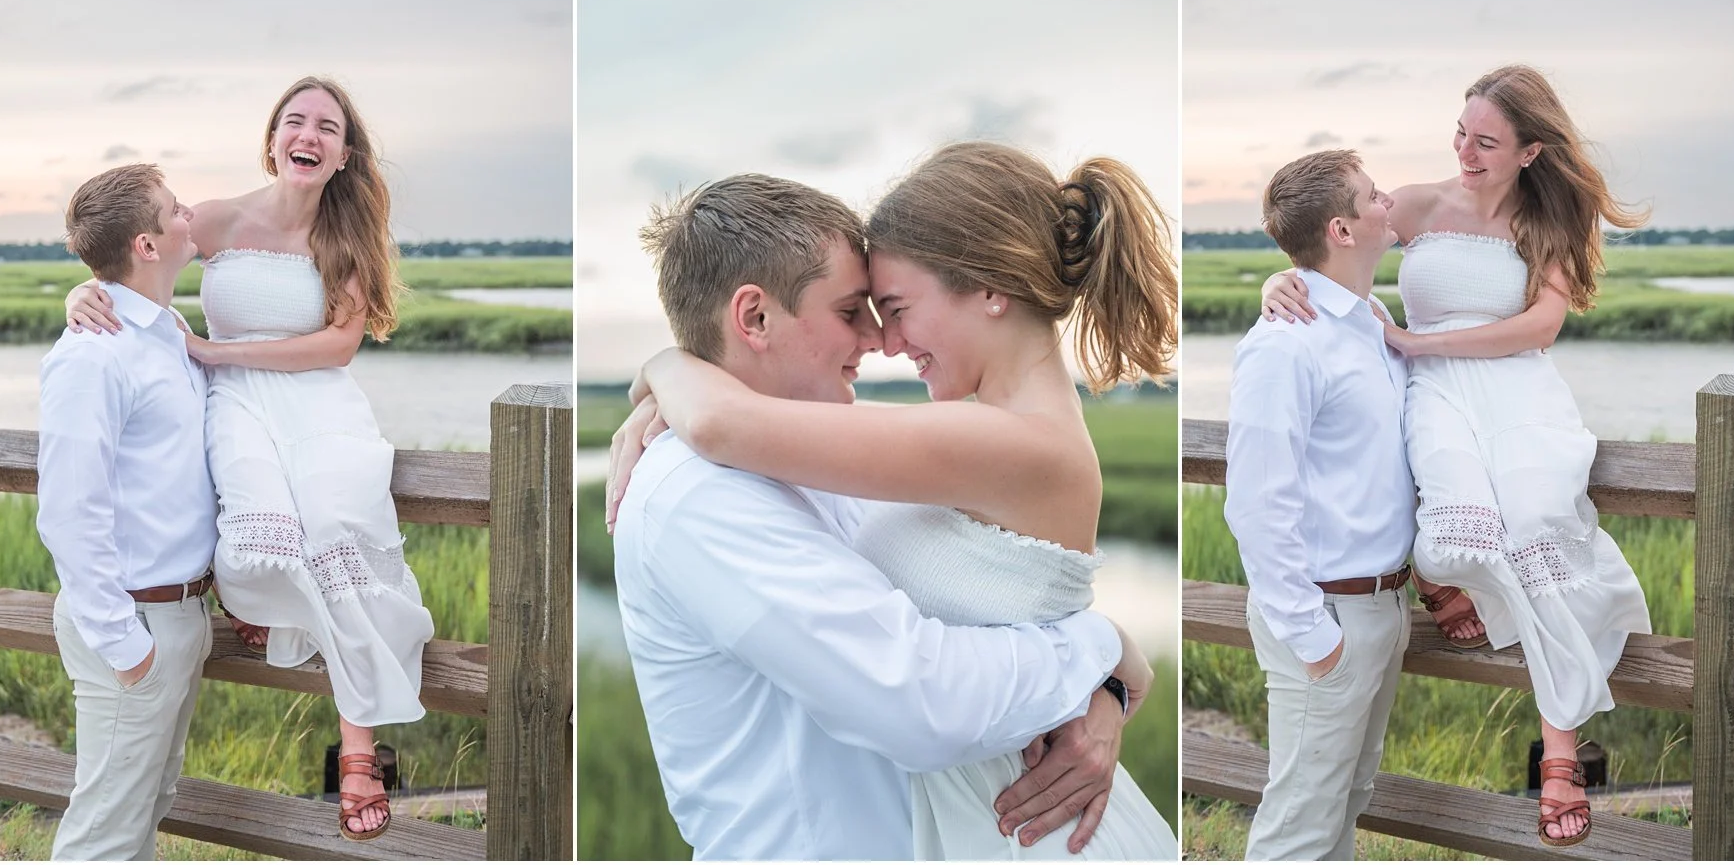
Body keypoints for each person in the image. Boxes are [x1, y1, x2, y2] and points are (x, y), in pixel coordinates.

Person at [609, 142, 1178, 859]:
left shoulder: (981, 441)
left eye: (894, 308)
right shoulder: (707, 490)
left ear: (990, 288)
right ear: (753, 318)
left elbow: (725, 422)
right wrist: (1102, 653)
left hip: (1021, 831)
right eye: (857, 310)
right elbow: (929, 685)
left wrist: (668, 367)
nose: (881, 339)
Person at [1257, 65, 1653, 847]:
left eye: (1486, 143)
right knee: (1451, 541)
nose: (1465, 153)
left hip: (1519, 394)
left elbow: (1541, 327)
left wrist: (1419, 342)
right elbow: (1326, 245)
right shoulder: (1416, 203)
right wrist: (1279, 279)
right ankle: (1436, 577)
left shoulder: (1552, 221)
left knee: (1538, 527)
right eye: (1461, 133)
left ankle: (1561, 754)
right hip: (1434, 394)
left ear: (1530, 152)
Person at [63, 77, 432, 842]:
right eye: (295, 120)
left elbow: (340, 344)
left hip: (316, 400)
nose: (309, 134)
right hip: (232, 403)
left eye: (327, 127)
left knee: (335, 527)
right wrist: (80, 293)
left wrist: (216, 351)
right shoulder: (215, 217)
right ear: (272, 140)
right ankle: (261, 607)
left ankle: (358, 754)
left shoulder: (345, 236)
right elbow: (132, 255)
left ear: (343, 154)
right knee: (251, 538)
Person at [1224, 150, 1416, 861]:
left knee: (1345, 804)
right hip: (1328, 615)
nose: (1388, 200)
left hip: (1383, 606)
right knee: (1299, 828)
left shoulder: (1371, 318)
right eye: (1373, 195)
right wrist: (1314, 638)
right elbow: (1256, 503)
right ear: (1342, 229)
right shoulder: (1285, 346)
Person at [37, 164, 216, 860]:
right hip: (134, 623)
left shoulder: (166, 328)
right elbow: (68, 512)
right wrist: (126, 648)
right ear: (146, 244)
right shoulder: (94, 355)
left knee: (146, 808)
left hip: (181, 613)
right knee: (104, 835)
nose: (189, 213)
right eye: (175, 208)